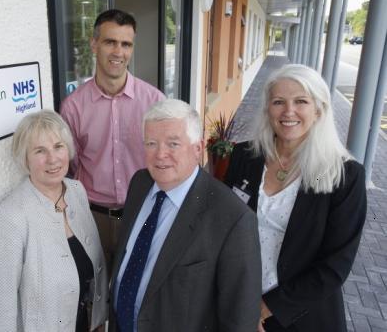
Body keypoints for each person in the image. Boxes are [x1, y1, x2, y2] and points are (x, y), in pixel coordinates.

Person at [224, 64, 367, 332]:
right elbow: (224, 229)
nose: (288, 111)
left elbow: (335, 265)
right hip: (240, 303)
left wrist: (265, 308)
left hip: (300, 316)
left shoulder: (342, 175)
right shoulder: (245, 156)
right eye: (279, 102)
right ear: (268, 108)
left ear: (319, 109)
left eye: (301, 101)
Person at [110, 99, 261, 332]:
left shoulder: (232, 219)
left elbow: (240, 320)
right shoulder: (139, 183)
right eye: (151, 143)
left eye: (173, 144)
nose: (160, 154)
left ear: (198, 149)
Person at [0, 110, 107, 332]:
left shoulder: (76, 191)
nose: (52, 159)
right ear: (24, 158)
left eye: (58, 146)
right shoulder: (10, 218)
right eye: (40, 151)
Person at [61, 9, 165, 270]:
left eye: (126, 44)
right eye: (110, 42)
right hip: (91, 217)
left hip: (142, 213)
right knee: (94, 295)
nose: (119, 52)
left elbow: (166, 160)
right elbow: (69, 167)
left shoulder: (155, 103)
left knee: (138, 291)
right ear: (94, 44)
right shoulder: (73, 107)